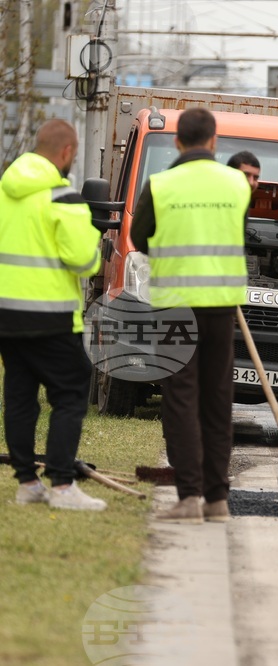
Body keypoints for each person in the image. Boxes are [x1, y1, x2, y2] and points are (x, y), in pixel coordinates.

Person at [132, 108, 252, 524]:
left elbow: (138, 237)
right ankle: (217, 500)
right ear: (214, 142)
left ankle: (188, 498)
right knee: (218, 399)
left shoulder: (161, 185)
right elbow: (237, 231)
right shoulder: (237, 184)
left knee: (180, 399)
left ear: (177, 142)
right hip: (221, 305)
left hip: (176, 303)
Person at [0, 119, 106, 511]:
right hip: (48, 315)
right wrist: (96, 243)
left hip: (5, 313)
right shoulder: (63, 197)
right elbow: (82, 261)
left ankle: (28, 483)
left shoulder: (4, 191)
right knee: (72, 389)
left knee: (20, 395)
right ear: (66, 152)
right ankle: (62, 485)